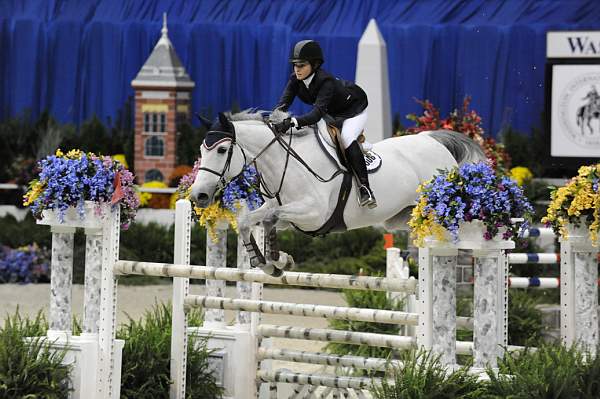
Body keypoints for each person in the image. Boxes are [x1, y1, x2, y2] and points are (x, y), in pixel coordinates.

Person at [272, 40, 376, 208]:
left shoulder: (325, 82)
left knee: (347, 138)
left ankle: (365, 188)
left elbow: (315, 114)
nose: (297, 69)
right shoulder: (295, 79)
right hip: (333, 113)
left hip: (354, 110)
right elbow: (282, 104)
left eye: (301, 65)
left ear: (315, 64)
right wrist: (273, 120)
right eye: (294, 65)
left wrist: (292, 121)